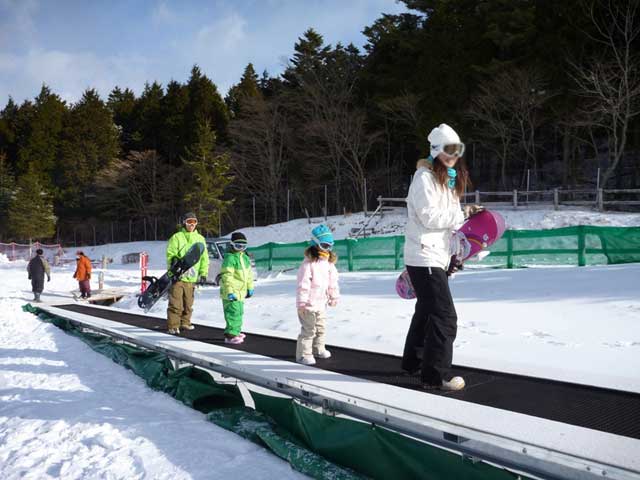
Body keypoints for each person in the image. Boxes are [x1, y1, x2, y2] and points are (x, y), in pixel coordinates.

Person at [402, 123, 482, 391]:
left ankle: (413, 362)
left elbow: (447, 225)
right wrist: (464, 213)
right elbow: (429, 217)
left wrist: (454, 254)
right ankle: (435, 375)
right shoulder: (423, 179)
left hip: (435, 254)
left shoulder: (446, 180)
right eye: (449, 149)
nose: (454, 154)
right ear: (436, 150)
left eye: (458, 149)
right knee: (445, 316)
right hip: (424, 255)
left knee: (427, 310)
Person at [295, 224, 340, 365]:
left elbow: (333, 283)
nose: (327, 249)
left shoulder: (329, 264)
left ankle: (318, 349)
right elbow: (303, 285)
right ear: (315, 244)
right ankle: (303, 354)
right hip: (308, 305)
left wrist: (334, 296)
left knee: (321, 328)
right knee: (309, 330)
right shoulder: (308, 265)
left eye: (330, 246)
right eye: (324, 245)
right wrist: (301, 303)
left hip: (321, 303)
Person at [166, 212, 209, 334]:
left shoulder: (200, 239)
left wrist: (203, 273)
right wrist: (173, 259)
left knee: (188, 303)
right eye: (189, 221)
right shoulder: (177, 237)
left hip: (191, 277)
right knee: (176, 303)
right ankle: (173, 325)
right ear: (184, 222)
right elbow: (170, 252)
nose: (191, 224)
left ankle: (185, 322)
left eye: (194, 222)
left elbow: (204, 258)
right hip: (178, 276)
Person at [219, 232, 254, 344]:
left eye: (243, 246)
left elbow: (249, 275)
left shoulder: (245, 258)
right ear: (232, 245)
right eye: (238, 246)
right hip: (231, 292)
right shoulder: (230, 258)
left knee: (239, 312)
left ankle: (236, 331)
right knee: (232, 313)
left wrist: (250, 287)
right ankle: (230, 335)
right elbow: (226, 276)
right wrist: (230, 291)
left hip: (240, 292)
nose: (240, 249)